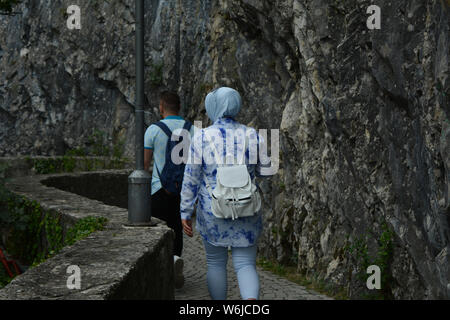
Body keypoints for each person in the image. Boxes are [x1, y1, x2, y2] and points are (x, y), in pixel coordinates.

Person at [180, 87, 272, 300]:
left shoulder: (201, 137)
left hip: (213, 209)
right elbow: (267, 171)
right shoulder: (252, 135)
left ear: (214, 106)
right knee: (246, 264)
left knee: (215, 263)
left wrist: (185, 211)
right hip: (247, 207)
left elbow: (191, 178)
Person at [144, 91, 194, 289]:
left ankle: (161, 271)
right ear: (179, 107)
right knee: (177, 229)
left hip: (158, 190)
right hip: (183, 191)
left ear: (162, 107)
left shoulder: (153, 130)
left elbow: (144, 164)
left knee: (157, 231)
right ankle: (174, 259)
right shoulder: (192, 130)